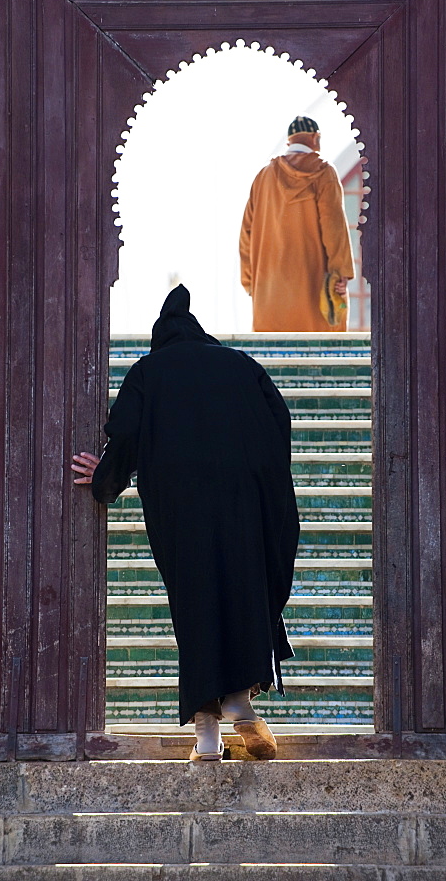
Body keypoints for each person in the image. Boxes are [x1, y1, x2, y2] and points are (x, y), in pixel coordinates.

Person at [72, 284, 299, 762]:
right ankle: (241, 704)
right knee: (241, 590)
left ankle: (208, 739)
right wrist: (259, 485)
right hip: (242, 503)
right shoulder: (240, 365)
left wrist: (107, 477)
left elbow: (127, 431)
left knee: (196, 602)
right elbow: (280, 423)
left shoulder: (149, 371)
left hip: (181, 508)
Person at [239, 115, 355, 332]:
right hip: (313, 297)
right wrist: (340, 273)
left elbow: (246, 235)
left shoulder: (262, 178)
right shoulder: (324, 173)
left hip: (269, 301)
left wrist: (251, 283)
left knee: (271, 363)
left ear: (289, 142)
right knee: (320, 360)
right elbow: (334, 228)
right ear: (315, 138)